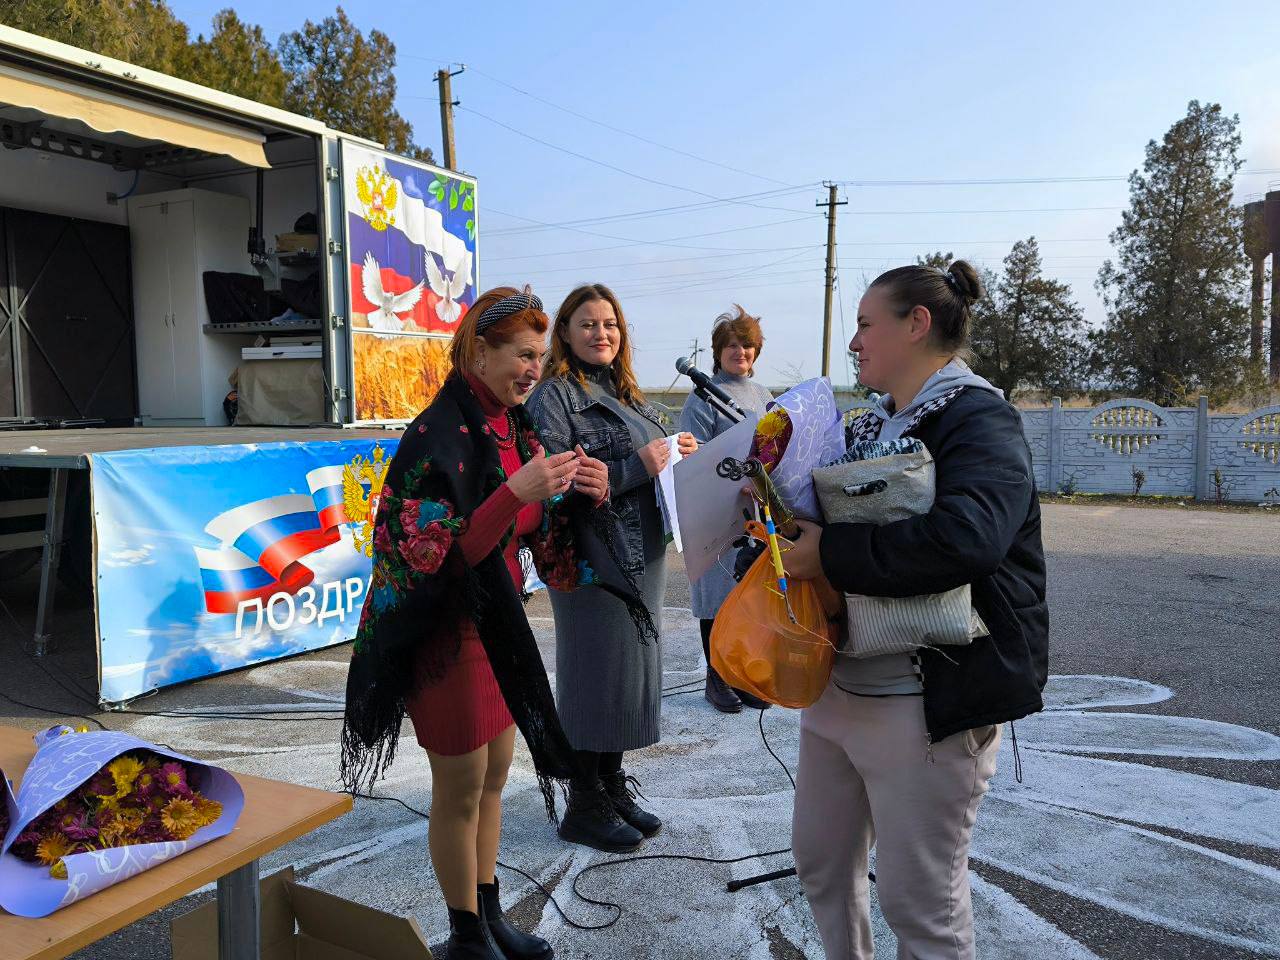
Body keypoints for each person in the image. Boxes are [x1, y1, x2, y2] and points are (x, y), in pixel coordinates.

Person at [341, 286, 623, 960]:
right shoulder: (435, 435)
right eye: (521, 355)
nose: (533, 368)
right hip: (445, 638)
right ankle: (466, 936)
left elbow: (538, 535)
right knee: (461, 787)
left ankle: (489, 917)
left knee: (495, 776)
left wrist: (584, 492)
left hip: (494, 629)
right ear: (480, 350)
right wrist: (514, 494)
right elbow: (437, 555)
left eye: (538, 356)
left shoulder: (516, 426)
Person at [782, 261, 1048, 960]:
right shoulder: (873, 426)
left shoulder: (979, 418)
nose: (856, 343)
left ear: (917, 324)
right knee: (819, 863)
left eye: (867, 324)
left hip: (926, 702)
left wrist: (830, 553)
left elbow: (969, 539)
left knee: (918, 903)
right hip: (840, 687)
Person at [526, 283, 698, 853]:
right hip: (590, 560)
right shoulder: (552, 398)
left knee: (625, 675)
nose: (602, 333)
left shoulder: (627, 392)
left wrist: (676, 452)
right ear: (566, 334)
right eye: (588, 324)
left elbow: (652, 458)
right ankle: (583, 803)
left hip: (640, 553)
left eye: (611, 324)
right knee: (593, 675)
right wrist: (638, 464)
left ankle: (610, 785)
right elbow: (554, 484)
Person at [677, 305, 775, 713]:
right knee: (716, 595)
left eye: (747, 346)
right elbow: (692, 452)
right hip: (716, 509)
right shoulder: (702, 396)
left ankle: (743, 675)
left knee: (750, 596)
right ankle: (716, 678)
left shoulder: (764, 395)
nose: (741, 352)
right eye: (732, 345)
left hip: (756, 510)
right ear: (717, 351)